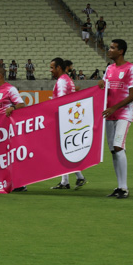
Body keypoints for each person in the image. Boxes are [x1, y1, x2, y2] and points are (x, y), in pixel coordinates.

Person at [99, 39, 133, 199]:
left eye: (113, 48)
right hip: (110, 114)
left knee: (118, 146)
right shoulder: (109, 69)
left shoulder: (131, 68)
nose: (109, 50)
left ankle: (124, 188)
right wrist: (101, 85)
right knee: (113, 150)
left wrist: (114, 107)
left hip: (123, 113)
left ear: (120, 51)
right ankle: (119, 186)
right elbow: (104, 89)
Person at [49, 57, 87, 190]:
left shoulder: (62, 82)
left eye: (52, 67)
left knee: (63, 151)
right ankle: (68, 180)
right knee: (64, 151)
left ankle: (76, 178)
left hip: (64, 120)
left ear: (59, 68)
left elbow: (60, 102)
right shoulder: (67, 80)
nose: (51, 70)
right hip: (69, 119)